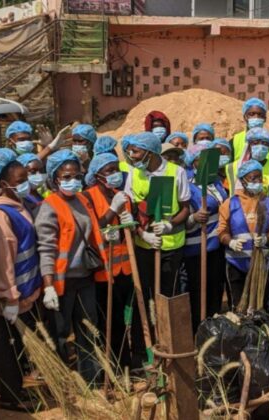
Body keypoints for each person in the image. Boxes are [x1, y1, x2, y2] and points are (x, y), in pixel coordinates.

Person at [35, 149, 107, 384]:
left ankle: (92, 378)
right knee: (60, 332)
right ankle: (61, 381)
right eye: (66, 176)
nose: (72, 180)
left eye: (76, 175)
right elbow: (46, 249)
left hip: (85, 277)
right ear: (55, 178)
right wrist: (48, 286)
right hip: (61, 281)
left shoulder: (83, 200)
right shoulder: (49, 207)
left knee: (89, 327)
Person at [0, 148, 42, 412]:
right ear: (3, 184)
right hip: (3, 296)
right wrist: (8, 297)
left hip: (19, 293)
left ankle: (15, 390)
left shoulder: (17, 203)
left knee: (14, 347)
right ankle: (10, 398)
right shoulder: (0, 216)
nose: (26, 183)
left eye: (26, 176)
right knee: (5, 348)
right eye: (20, 181)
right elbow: (3, 261)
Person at [123, 132, 190, 299]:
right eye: (130, 151)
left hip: (171, 248)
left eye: (136, 152)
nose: (132, 156)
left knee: (168, 294)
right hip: (144, 246)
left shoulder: (177, 172)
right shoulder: (134, 174)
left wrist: (170, 224)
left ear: (150, 153)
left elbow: (185, 208)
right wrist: (143, 234)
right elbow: (131, 211)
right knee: (145, 294)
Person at [84, 153, 135, 368]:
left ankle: (129, 363)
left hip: (126, 269)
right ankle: (114, 366)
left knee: (128, 321)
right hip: (103, 272)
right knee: (110, 322)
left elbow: (127, 233)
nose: (115, 175)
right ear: (97, 176)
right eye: (109, 171)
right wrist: (112, 210)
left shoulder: (122, 196)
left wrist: (129, 225)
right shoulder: (87, 197)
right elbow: (92, 230)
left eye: (116, 170)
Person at [218, 160, 269, 309]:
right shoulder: (230, 203)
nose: (257, 181)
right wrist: (230, 242)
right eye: (253, 178)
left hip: (265, 263)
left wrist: (268, 238)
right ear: (243, 180)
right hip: (237, 264)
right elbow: (222, 230)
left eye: (259, 177)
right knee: (238, 305)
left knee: (262, 306)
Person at [184, 144, 228, 331]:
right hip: (196, 248)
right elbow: (182, 217)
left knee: (215, 290)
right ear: (194, 162)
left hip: (216, 246)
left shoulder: (216, 182)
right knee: (198, 293)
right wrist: (193, 218)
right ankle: (198, 331)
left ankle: (213, 330)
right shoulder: (188, 184)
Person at [225, 127, 269, 197]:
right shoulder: (232, 167)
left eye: (265, 143)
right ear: (248, 146)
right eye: (255, 143)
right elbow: (227, 191)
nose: (260, 146)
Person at [231, 97, 269, 162]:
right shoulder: (235, 141)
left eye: (260, 114)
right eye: (251, 114)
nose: (256, 117)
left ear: (265, 118)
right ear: (245, 117)